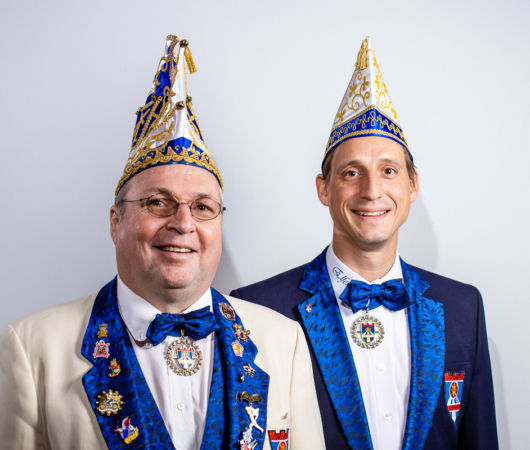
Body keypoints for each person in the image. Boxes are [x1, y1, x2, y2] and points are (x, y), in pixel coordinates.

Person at [0, 35, 324, 450]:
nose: (183, 223)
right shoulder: (32, 349)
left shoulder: (283, 339)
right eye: (158, 202)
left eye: (203, 207)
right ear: (116, 221)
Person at [231, 37, 498, 450]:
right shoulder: (256, 309)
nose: (372, 190)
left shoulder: (464, 308)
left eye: (389, 170)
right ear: (324, 188)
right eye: (351, 173)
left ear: (412, 186)